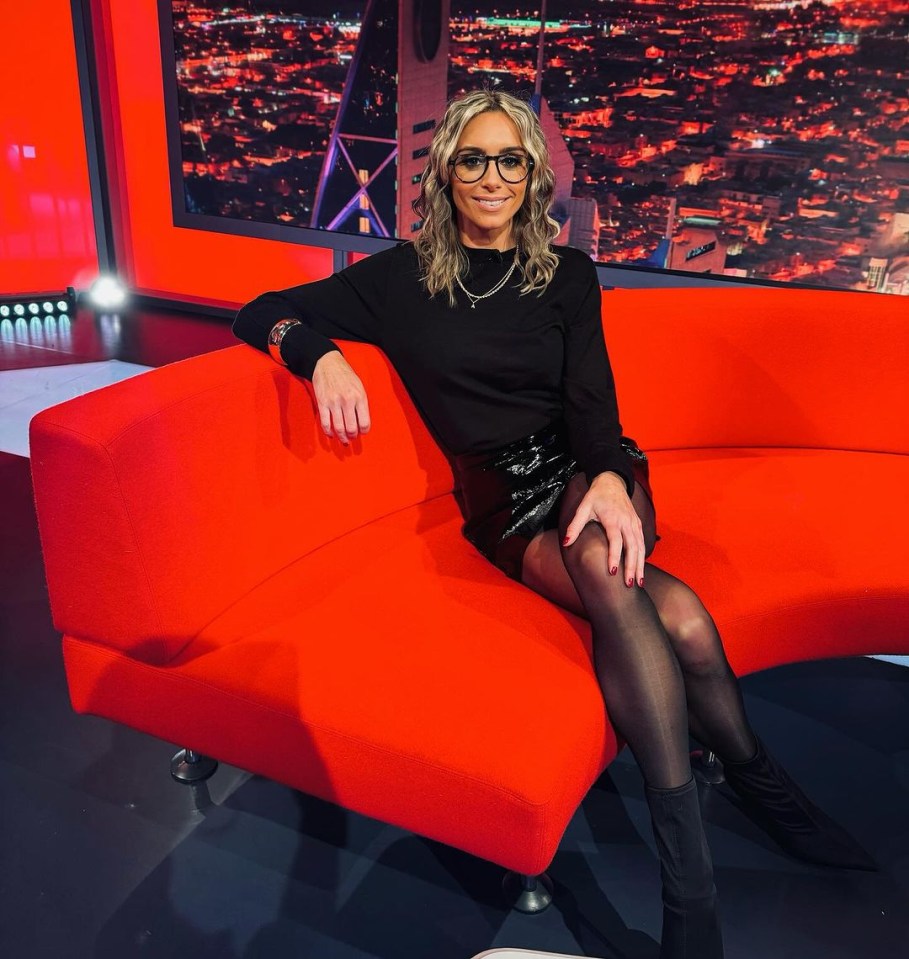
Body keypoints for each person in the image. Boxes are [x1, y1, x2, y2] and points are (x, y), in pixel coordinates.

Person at [233, 89, 874, 959]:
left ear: (533, 175)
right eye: (473, 158)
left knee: (609, 570)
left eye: (510, 160)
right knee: (677, 615)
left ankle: (691, 896)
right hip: (503, 503)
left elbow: (591, 405)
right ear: (445, 169)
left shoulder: (565, 274)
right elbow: (263, 305)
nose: (491, 177)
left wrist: (609, 478)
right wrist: (320, 355)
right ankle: (762, 788)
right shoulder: (397, 279)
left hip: (587, 469)